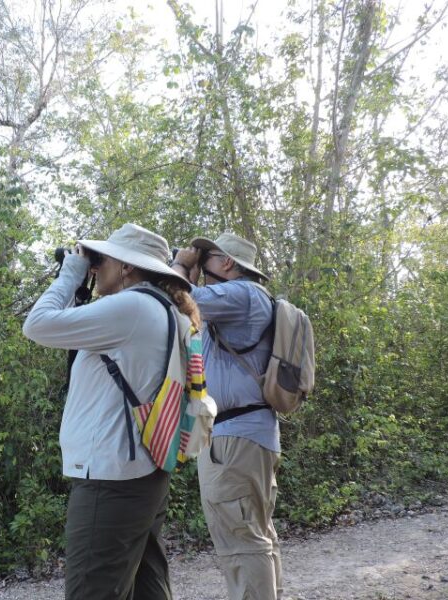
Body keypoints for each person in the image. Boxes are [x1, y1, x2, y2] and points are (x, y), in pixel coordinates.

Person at [23, 223, 200, 600]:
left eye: (103, 259)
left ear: (126, 267)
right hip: (143, 472)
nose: (96, 266)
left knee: (93, 591)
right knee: (147, 589)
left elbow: (37, 326)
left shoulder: (132, 307)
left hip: (111, 478)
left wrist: (70, 276)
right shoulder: (162, 308)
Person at [171, 233, 282, 600]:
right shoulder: (246, 298)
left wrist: (181, 265)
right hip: (248, 436)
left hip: (235, 440)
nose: (201, 264)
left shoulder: (243, 293)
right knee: (256, 534)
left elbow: (181, 301)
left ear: (228, 264)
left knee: (241, 541)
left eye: (207, 258)